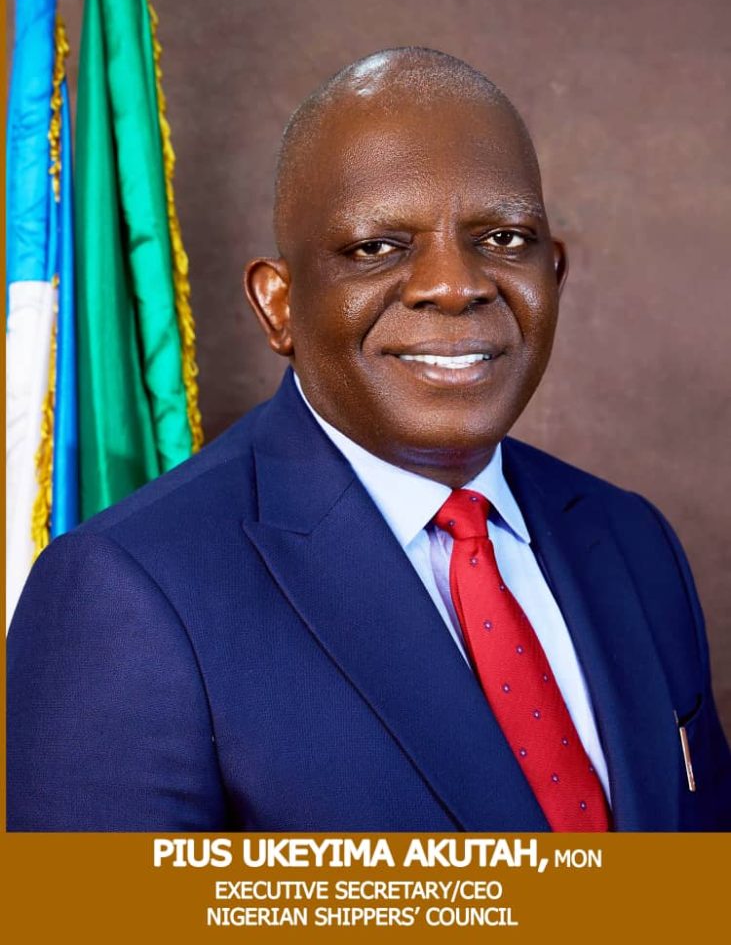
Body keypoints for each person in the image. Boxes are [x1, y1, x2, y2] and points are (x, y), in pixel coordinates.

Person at [7, 48, 731, 832]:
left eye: (503, 237)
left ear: (552, 275)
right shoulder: (126, 592)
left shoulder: (630, 539)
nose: (455, 285)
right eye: (376, 248)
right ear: (278, 305)